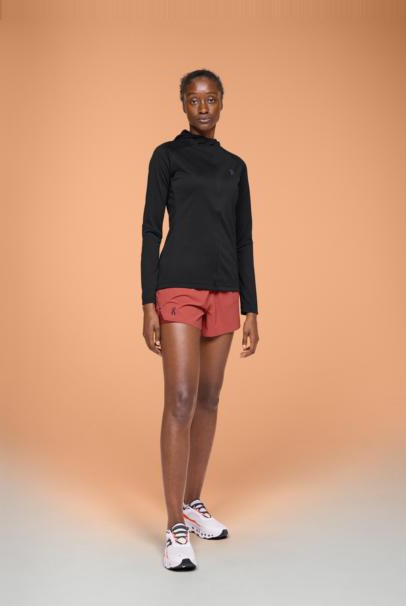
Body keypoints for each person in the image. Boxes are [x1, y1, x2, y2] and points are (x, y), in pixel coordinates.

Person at [140, 69, 260, 571]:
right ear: (184, 105)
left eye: (211, 99)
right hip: (177, 287)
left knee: (210, 397)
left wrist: (251, 306)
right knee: (182, 398)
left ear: (222, 103)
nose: (203, 107)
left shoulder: (236, 167)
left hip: (225, 289)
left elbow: (243, 238)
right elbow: (150, 229)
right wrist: (148, 301)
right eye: (194, 100)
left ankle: (192, 503)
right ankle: (173, 527)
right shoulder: (167, 157)